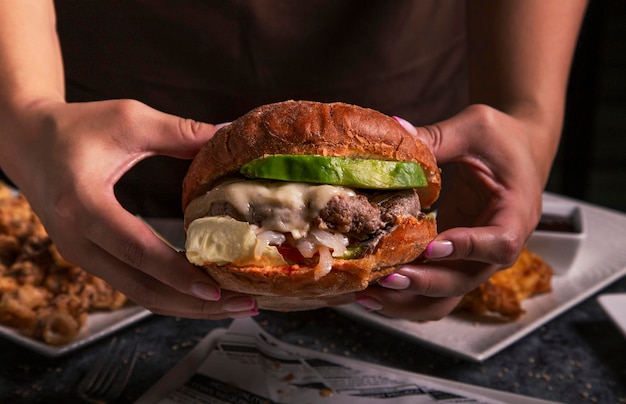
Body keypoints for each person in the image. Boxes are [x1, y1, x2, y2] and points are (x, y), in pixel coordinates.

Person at [0, 1, 587, 321]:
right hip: (109, 97)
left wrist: (528, 116)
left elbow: (522, 116)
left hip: (399, 58)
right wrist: (26, 112)